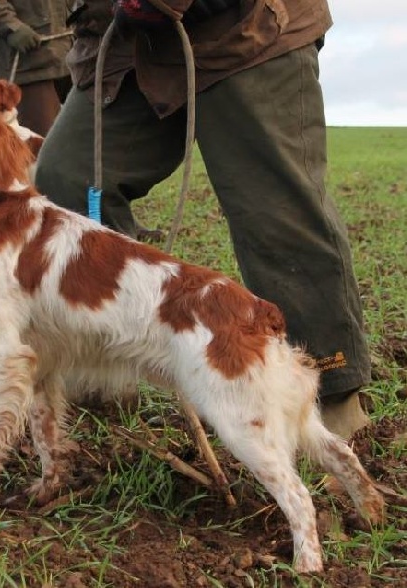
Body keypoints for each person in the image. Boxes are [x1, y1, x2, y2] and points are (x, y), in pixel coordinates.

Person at [35, 0, 372, 438]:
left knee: (275, 211)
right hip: (119, 39)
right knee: (69, 177)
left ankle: (330, 395)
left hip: (246, 30)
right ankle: (107, 371)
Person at [0, 0, 74, 137]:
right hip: (28, 66)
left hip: (76, 55)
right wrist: (11, 26)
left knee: (96, 138)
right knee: (44, 146)